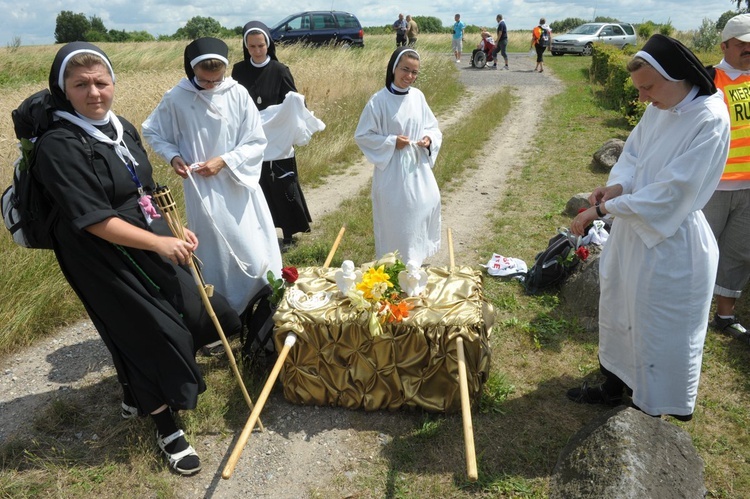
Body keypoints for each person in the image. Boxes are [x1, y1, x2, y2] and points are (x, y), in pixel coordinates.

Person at [34, 41, 243, 475]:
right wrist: (159, 243)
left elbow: (142, 190)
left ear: (113, 83)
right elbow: (91, 218)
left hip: (146, 232)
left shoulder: (121, 128)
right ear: (64, 90)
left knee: (190, 308)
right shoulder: (59, 145)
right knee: (148, 330)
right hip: (97, 251)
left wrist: (172, 227)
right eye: (81, 85)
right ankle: (167, 427)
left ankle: (134, 391)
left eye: (101, 82)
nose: (94, 92)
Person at [566, 35, 731, 422]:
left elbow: (673, 193)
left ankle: (652, 405)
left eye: (647, 88)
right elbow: (635, 153)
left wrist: (604, 208)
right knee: (620, 307)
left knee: (659, 326)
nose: (642, 98)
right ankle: (615, 382)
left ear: (676, 77)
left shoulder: (709, 118)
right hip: (632, 231)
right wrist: (618, 184)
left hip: (672, 242)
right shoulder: (662, 103)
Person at [142, 38, 282, 319]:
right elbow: (152, 130)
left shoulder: (237, 93)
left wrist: (225, 161)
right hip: (201, 188)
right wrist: (173, 156)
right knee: (215, 251)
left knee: (252, 249)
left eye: (216, 80)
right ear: (191, 70)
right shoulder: (176, 97)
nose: (211, 86)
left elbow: (256, 140)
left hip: (238, 183)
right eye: (205, 81)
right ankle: (226, 312)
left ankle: (263, 303)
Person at [231, 21, 321, 251]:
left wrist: (285, 120)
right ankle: (265, 233)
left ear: (268, 44)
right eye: (251, 46)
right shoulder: (239, 70)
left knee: (283, 186)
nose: (257, 50)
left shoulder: (280, 70)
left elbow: (295, 102)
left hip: (278, 140)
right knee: (258, 186)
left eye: (261, 45)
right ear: (245, 46)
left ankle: (289, 234)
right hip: (250, 137)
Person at [354, 47, 443, 265]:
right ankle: (395, 263)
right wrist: (392, 142)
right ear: (394, 68)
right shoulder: (379, 101)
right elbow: (363, 135)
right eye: (405, 70)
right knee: (398, 218)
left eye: (414, 72)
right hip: (392, 170)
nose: (409, 76)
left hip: (417, 166)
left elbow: (433, 126)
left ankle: (416, 260)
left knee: (424, 206)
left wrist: (428, 139)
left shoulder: (418, 97)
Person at [703, 13, 750, 337]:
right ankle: (687, 311)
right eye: (742, 44)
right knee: (699, 250)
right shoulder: (709, 79)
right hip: (713, 185)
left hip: (748, 186)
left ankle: (724, 315)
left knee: (738, 252)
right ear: (724, 45)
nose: (748, 49)